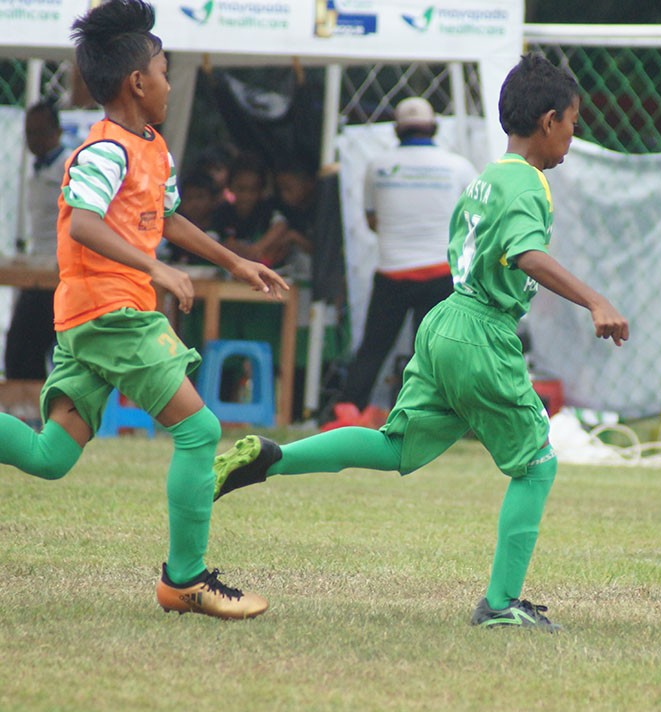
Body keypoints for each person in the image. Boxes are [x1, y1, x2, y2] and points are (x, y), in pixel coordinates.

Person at [212, 53, 630, 630]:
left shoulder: (488, 176)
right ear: (551, 119)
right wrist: (596, 301)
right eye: (574, 124)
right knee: (534, 464)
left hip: (445, 321)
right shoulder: (527, 184)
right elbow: (525, 254)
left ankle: (273, 458)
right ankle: (502, 604)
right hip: (482, 328)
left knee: (395, 448)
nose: (573, 137)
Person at [0, 0, 290, 619]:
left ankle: (185, 577)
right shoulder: (104, 150)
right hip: (111, 313)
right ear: (138, 82)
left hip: (93, 317)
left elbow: (168, 217)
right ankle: (185, 577)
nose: (167, 82)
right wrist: (153, 266)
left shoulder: (152, 147)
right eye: (163, 70)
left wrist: (234, 261)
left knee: (51, 457)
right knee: (200, 429)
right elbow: (83, 222)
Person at [325, 97, 477, 430]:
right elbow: (475, 220)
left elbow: (372, 221)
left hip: (393, 273)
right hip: (441, 273)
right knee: (432, 351)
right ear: (434, 127)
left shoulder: (377, 166)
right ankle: (429, 418)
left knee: (373, 349)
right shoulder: (458, 166)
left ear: (396, 130)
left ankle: (347, 412)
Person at [5, 101, 66, 380]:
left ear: (56, 131)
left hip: (60, 269)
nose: (34, 140)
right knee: (19, 351)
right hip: (38, 265)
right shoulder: (37, 170)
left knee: (27, 345)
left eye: (40, 132)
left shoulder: (69, 168)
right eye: (29, 133)